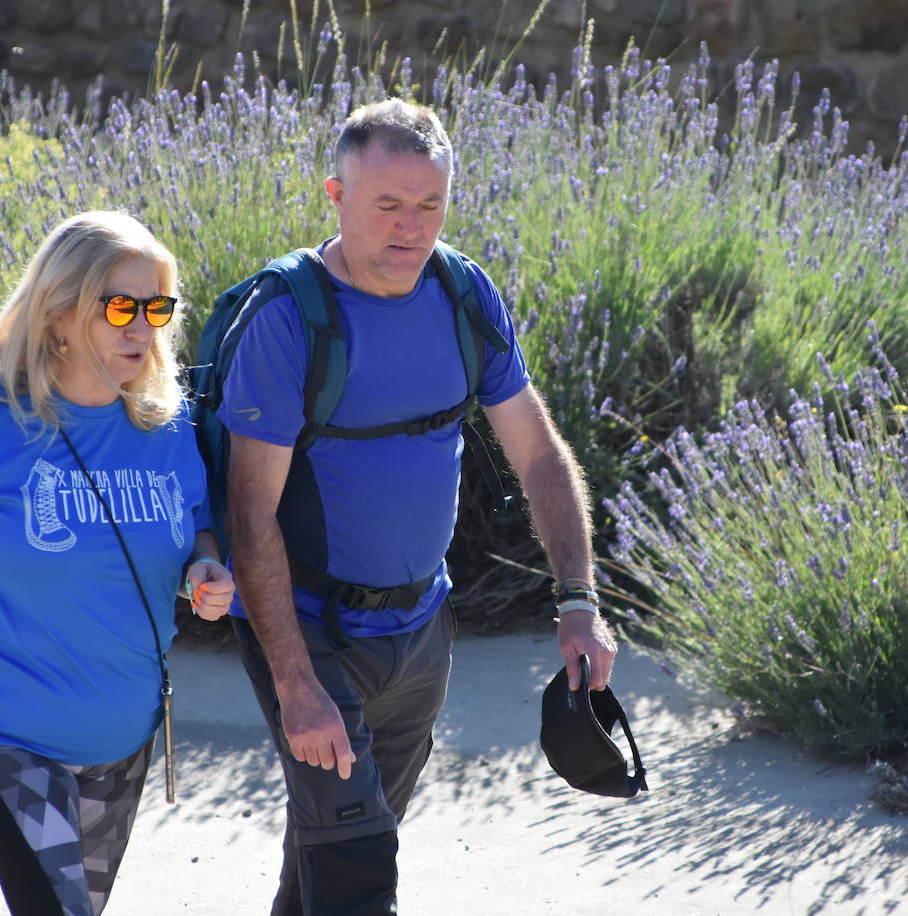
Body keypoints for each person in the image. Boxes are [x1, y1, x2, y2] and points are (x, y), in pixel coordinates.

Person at [217, 99, 619, 914]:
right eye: (388, 206)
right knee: (358, 869)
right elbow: (249, 516)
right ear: (335, 195)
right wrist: (295, 683)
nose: (412, 229)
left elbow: (539, 455)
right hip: (312, 633)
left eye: (430, 205)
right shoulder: (288, 320)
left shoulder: (464, 296)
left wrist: (578, 601)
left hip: (421, 635)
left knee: (338, 854)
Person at [0, 211, 235, 916]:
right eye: (120, 306)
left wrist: (205, 571)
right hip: (6, 734)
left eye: (156, 307)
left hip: (126, 735)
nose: (141, 328)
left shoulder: (166, 424)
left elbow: (198, 526)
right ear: (59, 313)